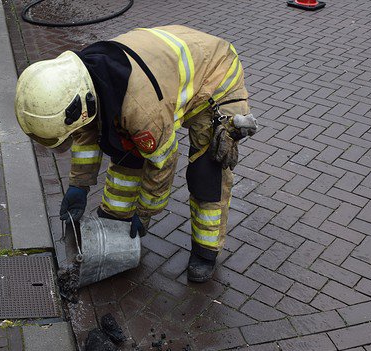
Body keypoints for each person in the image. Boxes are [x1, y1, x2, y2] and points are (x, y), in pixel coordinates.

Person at [15, 25, 257, 283]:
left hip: (215, 78)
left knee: (206, 175)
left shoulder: (141, 110)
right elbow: (88, 132)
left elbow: (163, 162)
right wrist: (79, 184)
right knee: (125, 150)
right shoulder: (82, 79)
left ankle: (205, 251)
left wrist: (144, 212)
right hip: (168, 74)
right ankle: (115, 221)